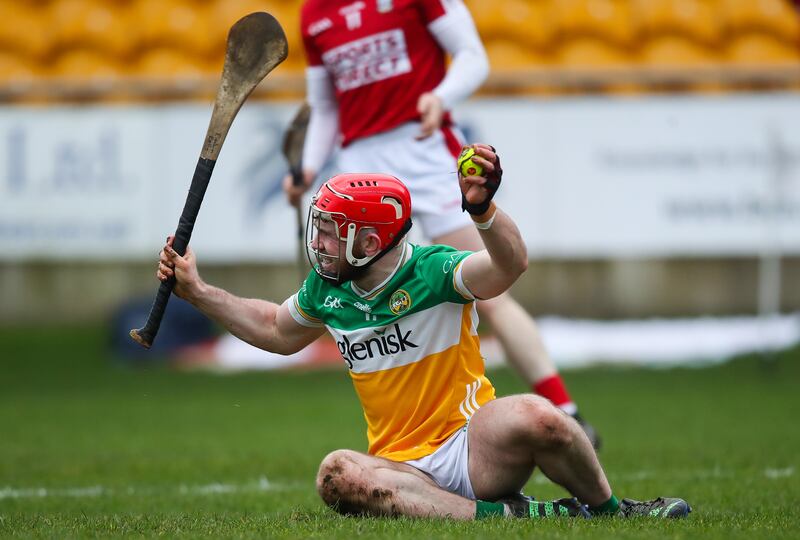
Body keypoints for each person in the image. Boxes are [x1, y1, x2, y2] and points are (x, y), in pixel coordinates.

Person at [159, 144, 690, 520]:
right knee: (336, 473)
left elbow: (509, 266)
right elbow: (275, 329)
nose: (318, 244)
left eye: (331, 233)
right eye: (318, 229)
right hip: (398, 469)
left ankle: (612, 510)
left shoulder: (434, 270)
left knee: (540, 416)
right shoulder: (327, 289)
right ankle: (515, 516)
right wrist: (198, 291)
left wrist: (482, 211)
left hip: (473, 448)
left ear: (370, 243)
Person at [283, 0, 601, 447]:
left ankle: (565, 411)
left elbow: (473, 57)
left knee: (491, 291)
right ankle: (408, 432)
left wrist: (441, 97)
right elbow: (325, 105)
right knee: (367, 305)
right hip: (361, 169)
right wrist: (308, 168)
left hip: (425, 149)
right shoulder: (314, 12)